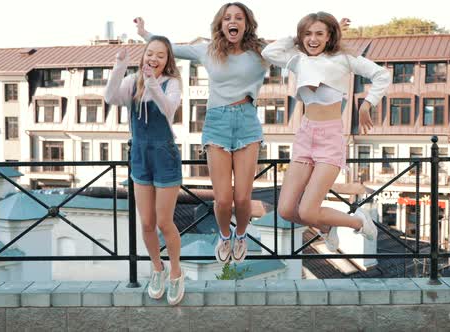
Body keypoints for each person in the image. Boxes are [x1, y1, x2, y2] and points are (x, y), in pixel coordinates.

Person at [135, 2, 266, 264]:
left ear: (246, 24)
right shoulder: (208, 50)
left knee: (242, 198)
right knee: (222, 200)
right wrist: (145, 34)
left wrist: (331, 36)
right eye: (227, 17)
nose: (233, 21)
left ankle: (241, 234)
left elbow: (296, 51)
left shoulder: (260, 52)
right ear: (221, 24)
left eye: (238, 18)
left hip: (247, 122)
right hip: (217, 122)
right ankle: (225, 235)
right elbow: (172, 48)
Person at [262, 12, 391, 250]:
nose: (312, 39)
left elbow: (382, 75)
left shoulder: (343, 58)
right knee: (286, 209)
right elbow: (268, 52)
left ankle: (357, 222)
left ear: (330, 36)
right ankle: (327, 227)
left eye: (319, 34)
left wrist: (367, 103)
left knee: (308, 211)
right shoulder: (298, 58)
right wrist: (297, 36)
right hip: (304, 135)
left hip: (330, 137)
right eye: (307, 34)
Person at [105, 36, 184, 305]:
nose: (154, 59)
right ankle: (157, 269)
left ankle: (176, 271)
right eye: (150, 53)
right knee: (147, 223)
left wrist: (152, 83)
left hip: (164, 155)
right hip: (140, 156)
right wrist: (120, 66)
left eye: (161, 55)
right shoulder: (132, 82)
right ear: (143, 56)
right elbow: (109, 97)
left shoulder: (172, 83)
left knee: (164, 222)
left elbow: (169, 108)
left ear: (167, 60)